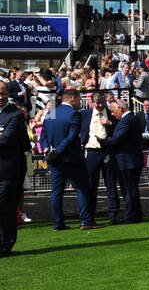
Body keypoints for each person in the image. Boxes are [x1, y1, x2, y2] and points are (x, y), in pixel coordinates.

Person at [41, 89, 97, 231]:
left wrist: (48, 149)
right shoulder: (74, 114)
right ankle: (86, 221)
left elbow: (43, 136)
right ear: (72, 98)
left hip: (54, 160)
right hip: (71, 159)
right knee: (82, 189)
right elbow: (72, 137)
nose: (80, 102)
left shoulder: (51, 112)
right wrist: (58, 151)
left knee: (56, 192)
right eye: (79, 99)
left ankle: (58, 223)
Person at [0, 82, 30, 257]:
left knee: (4, 207)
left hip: (7, 172)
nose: (0, 96)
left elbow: (5, 141)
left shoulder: (15, 115)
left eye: (3, 93)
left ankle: (5, 245)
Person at [83, 92, 121, 222]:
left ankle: (113, 214)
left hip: (107, 151)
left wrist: (110, 123)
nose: (100, 105)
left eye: (102, 103)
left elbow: (121, 128)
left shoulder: (111, 113)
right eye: (97, 103)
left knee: (110, 184)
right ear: (92, 103)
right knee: (90, 185)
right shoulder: (85, 114)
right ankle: (90, 215)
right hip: (92, 152)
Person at [105, 97, 144, 223]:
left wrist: (103, 141)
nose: (112, 113)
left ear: (120, 108)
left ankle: (131, 216)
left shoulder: (127, 121)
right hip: (131, 160)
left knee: (129, 190)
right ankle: (135, 214)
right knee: (131, 189)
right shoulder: (130, 119)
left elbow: (117, 139)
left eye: (113, 110)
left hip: (128, 161)